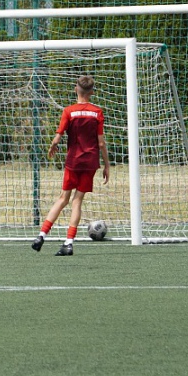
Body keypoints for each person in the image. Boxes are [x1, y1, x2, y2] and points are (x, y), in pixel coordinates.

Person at [31, 75, 110, 256]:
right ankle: (68, 243)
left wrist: (53, 146)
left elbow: (57, 136)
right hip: (90, 162)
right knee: (77, 201)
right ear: (91, 92)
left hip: (73, 161)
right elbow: (101, 143)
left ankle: (41, 236)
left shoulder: (69, 111)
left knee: (62, 199)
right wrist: (107, 165)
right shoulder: (97, 112)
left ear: (76, 89)